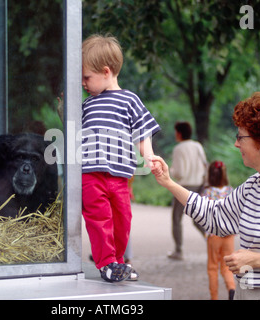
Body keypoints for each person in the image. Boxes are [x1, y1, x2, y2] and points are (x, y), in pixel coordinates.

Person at [151, 92, 260, 300]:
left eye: (241, 137)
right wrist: (168, 182)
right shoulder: (253, 186)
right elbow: (216, 217)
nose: (236, 144)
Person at [81, 34, 160, 282]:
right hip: (91, 175)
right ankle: (106, 264)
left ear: (106, 72)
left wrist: (149, 155)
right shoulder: (86, 104)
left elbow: (143, 130)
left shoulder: (129, 100)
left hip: (119, 177)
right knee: (99, 219)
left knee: (122, 219)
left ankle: (119, 261)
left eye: (86, 78)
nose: (83, 83)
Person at [168, 121, 207, 260]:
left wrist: (170, 170)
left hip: (183, 187)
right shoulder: (197, 145)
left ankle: (178, 251)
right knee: (198, 218)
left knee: (176, 219)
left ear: (178, 133)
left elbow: (180, 173)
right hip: (199, 185)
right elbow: (204, 165)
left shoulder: (178, 149)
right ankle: (212, 241)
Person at [201, 161, 235, 300]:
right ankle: (232, 289)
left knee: (212, 267)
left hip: (214, 234)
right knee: (227, 266)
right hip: (229, 234)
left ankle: (214, 297)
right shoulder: (231, 191)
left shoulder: (207, 192)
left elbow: (202, 213)